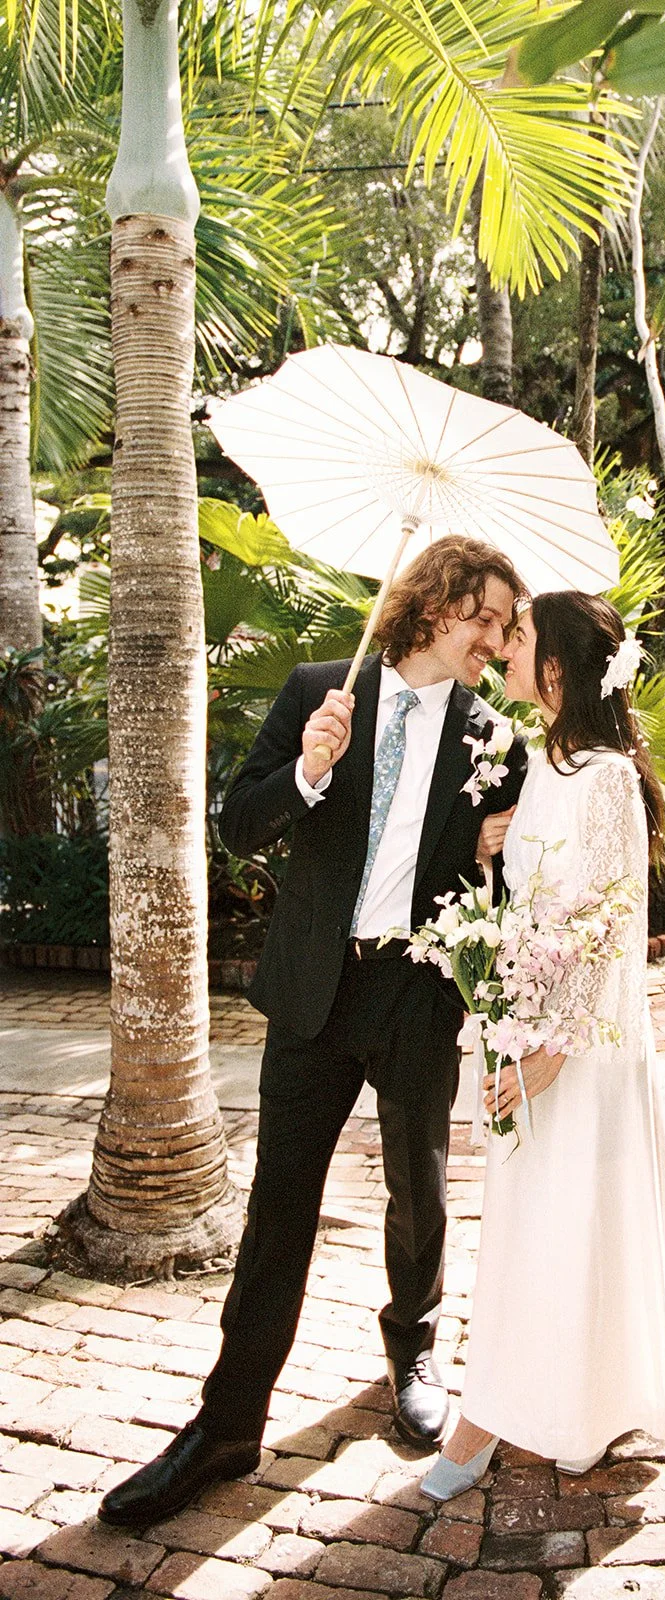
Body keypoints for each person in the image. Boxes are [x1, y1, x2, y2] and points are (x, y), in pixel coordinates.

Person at [99, 536, 529, 1527]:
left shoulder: (492, 738)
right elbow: (238, 823)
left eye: (507, 627)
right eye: (485, 619)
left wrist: (498, 849)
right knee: (278, 1207)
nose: (497, 641)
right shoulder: (317, 691)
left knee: (419, 1190)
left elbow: (509, 887)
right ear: (434, 606)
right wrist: (305, 769)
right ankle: (227, 1424)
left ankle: (412, 1349)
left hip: (417, 996)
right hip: (312, 993)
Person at [420, 591, 665, 1502]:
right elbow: (543, 899)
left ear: (559, 668)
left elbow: (608, 923)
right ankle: (537, 1402)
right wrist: (494, 847)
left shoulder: (605, 776)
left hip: (580, 1049)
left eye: (521, 637)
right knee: (533, 1225)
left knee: (564, 1222)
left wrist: (552, 1053)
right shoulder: (546, 763)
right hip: (529, 1028)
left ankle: (499, 1416)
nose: (504, 647)